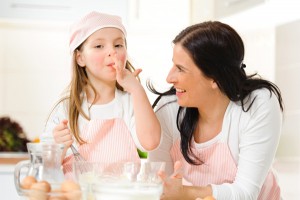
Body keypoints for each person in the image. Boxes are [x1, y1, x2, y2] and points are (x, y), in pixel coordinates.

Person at [147, 21, 284, 200]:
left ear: (215, 78)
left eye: (180, 69)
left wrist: (185, 193)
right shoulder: (168, 110)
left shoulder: (257, 103)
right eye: (173, 65)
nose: (169, 78)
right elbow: (161, 187)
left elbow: (246, 193)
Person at [40, 11, 160, 178]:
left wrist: (137, 90)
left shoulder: (131, 102)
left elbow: (151, 143)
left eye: (118, 45)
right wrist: (58, 148)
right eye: (99, 46)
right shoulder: (66, 110)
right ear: (80, 58)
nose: (112, 51)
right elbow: (44, 170)